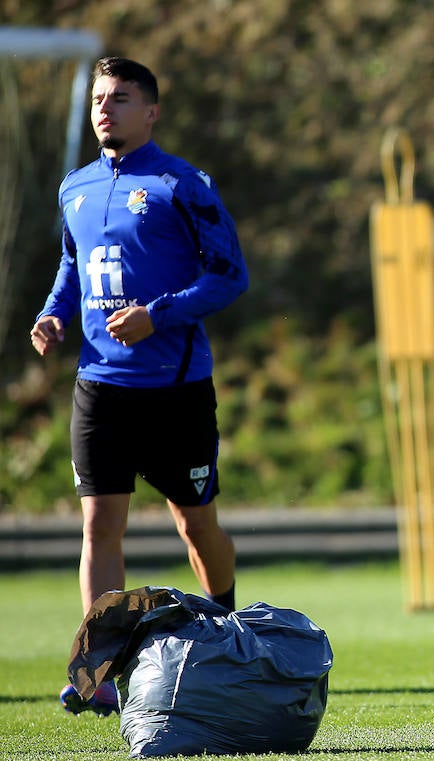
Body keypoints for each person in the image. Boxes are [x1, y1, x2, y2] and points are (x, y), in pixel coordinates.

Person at [30, 57, 249, 716]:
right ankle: (100, 668)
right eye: (100, 97)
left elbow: (229, 275)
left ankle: (226, 628)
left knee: (195, 520)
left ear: (150, 112)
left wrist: (159, 313)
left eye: (121, 98)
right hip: (100, 387)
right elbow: (72, 265)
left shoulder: (183, 185)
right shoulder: (75, 186)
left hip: (175, 387)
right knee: (100, 525)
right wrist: (53, 312)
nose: (105, 107)